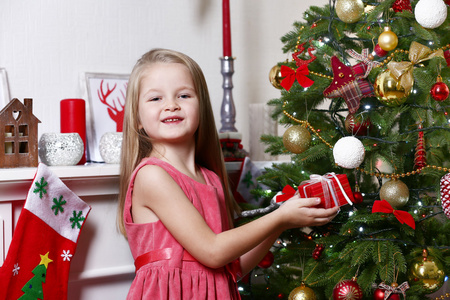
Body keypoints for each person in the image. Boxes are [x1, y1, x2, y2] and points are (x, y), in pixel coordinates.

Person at [117, 48, 339, 300]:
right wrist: (278, 218)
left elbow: (235, 266)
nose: (171, 105)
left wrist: (283, 220)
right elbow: (213, 251)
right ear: (136, 118)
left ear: (201, 105)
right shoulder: (153, 176)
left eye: (184, 95)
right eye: (156, 99)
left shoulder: (211, 179)